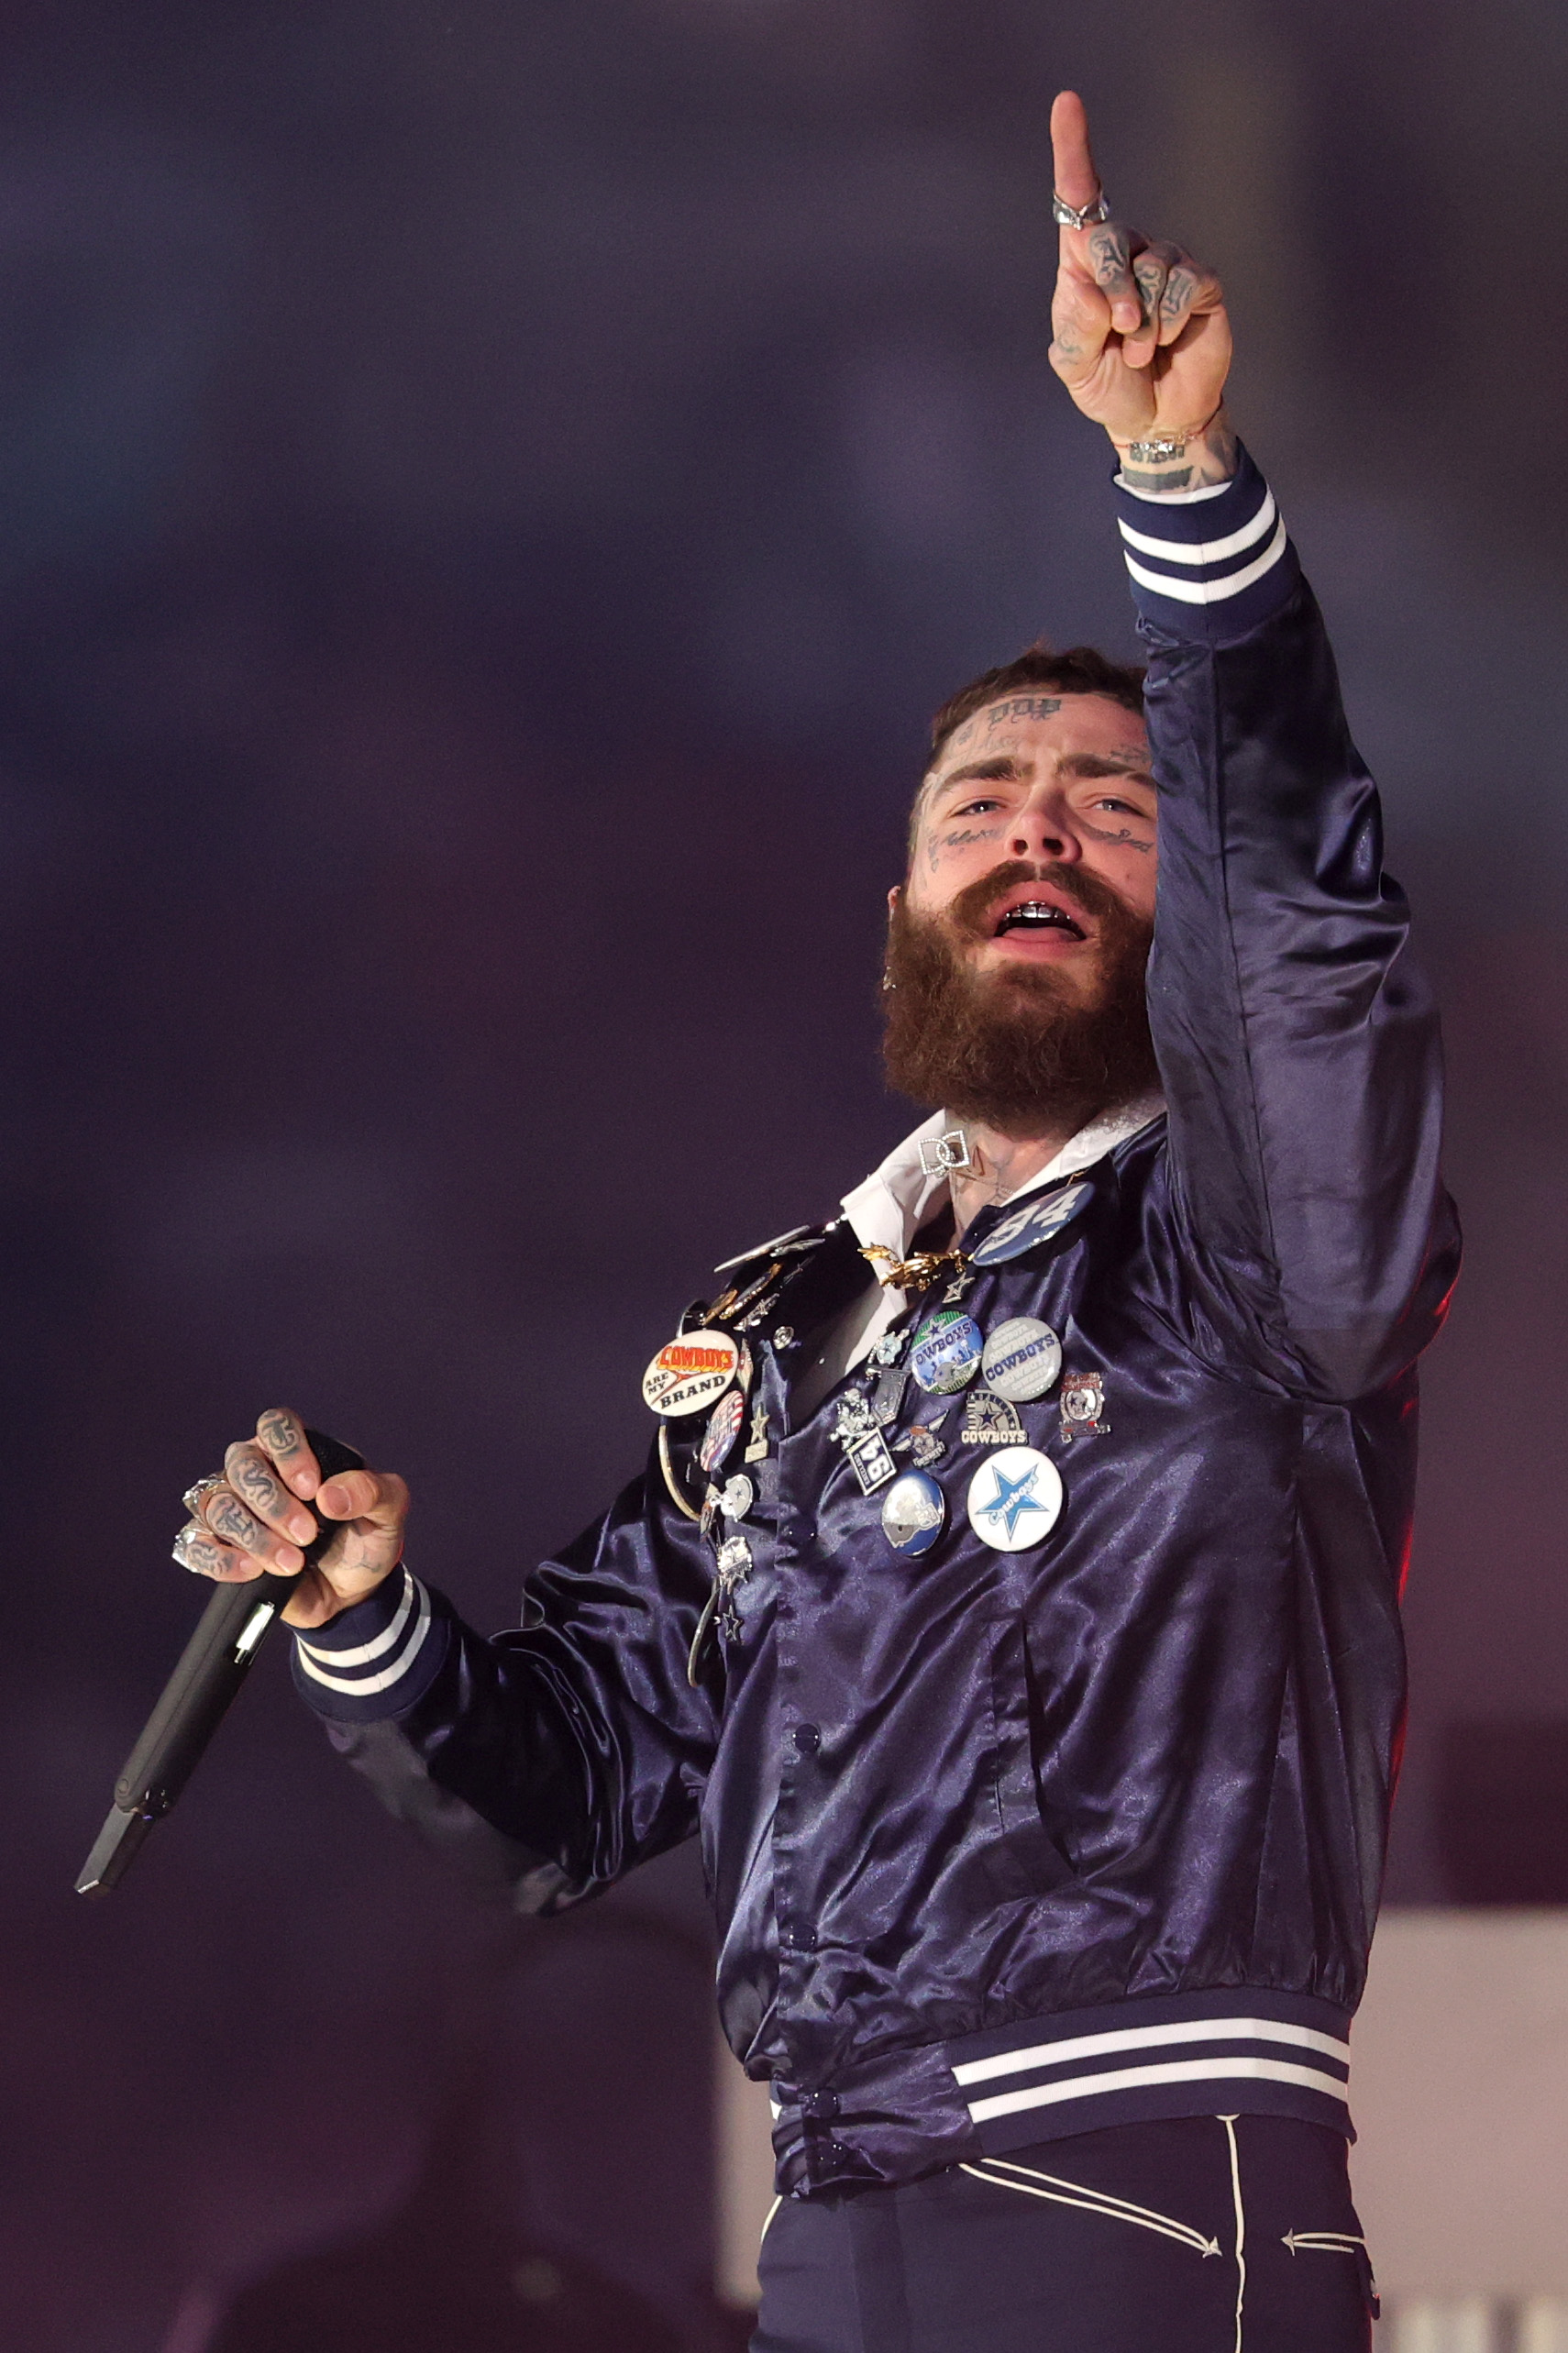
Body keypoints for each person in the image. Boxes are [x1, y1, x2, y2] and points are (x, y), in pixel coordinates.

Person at [172, 93, 1458, 2353]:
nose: (1039, 831)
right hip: (838, 2198)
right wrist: (369, 1616)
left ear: (1193, 907)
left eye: (1108, 804)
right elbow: (565, 1786)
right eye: (984, 800)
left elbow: (1309, 941)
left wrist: (1186, 502)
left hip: (1138, 2180)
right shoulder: (789, 1317)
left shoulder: (1254, 1231)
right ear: (904, 907)